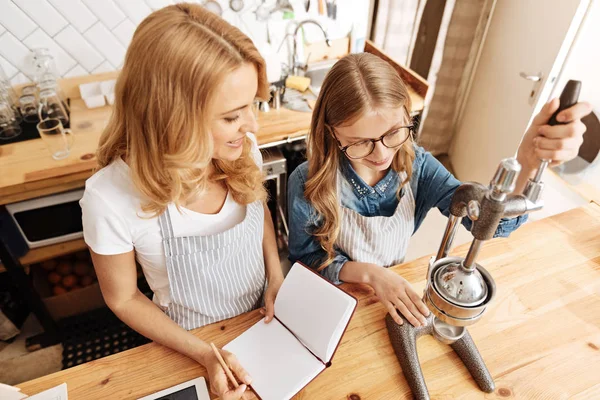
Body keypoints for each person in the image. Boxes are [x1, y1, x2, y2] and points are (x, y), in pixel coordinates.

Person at [288, 52, 591, 328]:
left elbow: (487, 222)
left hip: (388, 296)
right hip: (334, 301)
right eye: (359, 142)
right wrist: (371, 274)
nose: (381, 154)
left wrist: (526, 162)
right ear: (331, 132)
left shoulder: (417, 167)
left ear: (407, 115)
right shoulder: (308, 182)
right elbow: (306, 259)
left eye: (393, 132)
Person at [80, 4, 283, 399]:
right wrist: (205, 354)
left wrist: (275, 276)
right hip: (187, 345)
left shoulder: (243, 150)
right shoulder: (109, 198)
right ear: (172, 117)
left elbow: (258, 215)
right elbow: (122, 297)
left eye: (252, 107)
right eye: (231, 116)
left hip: (263, 321)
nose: (253, 127)